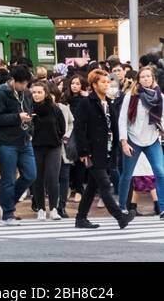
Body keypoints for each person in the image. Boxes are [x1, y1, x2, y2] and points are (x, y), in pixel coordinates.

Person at [74, 69, 132, 230]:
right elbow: (79, 128)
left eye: (108, 82)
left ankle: (80, 218)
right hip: (92, 151)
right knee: (105, 185)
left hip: (106, 150)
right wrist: (84, 151)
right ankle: (120, 217)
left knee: (92, 186)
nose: (107, 85)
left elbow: (113, 126)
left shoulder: (109, 102)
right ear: (94, 84)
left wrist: (118, 144)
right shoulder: (86, 103)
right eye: (103, 82)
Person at [116, 63, 164, 215]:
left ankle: (162, 208)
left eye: (148, 76)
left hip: (152, 139)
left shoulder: (159, 96)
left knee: (160, 172)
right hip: (133, 139)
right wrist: (124, 141)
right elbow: (122, 119)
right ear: (138, 79)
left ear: (153, 78)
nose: (146, 79)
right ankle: (122, 207)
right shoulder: (131, 96)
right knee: (127, 174)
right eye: (142, 77)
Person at [0, 65, 36, 225]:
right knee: (8, 178)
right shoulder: (1, 93)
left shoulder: (26, 94)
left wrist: (30, 128)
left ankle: (6, 203)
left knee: (31, 174)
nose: (25, 87)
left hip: (24, 139)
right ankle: (8, 213)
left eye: (26, 84)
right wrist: (18, 117)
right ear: (13, 81)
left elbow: (29, 110)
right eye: (22, 83)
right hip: (5, 141)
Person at [29, 79, 63, 221]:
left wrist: (57, 137)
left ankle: (54, 208)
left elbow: (62, 127)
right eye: (34, 92)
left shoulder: (54, 108)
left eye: (39, 92)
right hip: (35, 147)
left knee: (52, 177)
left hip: (53, 146)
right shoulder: (29, 108)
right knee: (38, 178)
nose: (36, 95)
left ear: (46, 93)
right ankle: (41, 209)